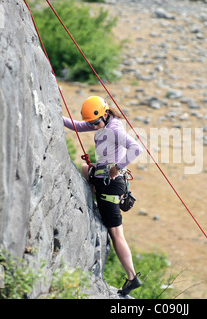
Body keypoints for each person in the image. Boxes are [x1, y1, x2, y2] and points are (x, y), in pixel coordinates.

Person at [63, 96, 143, 296]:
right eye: (92, 123)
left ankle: (132, 277)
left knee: (117, 234)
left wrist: (118, 167)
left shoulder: (114, 129)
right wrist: (57, 115)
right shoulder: (103, 124)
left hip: (110, 184)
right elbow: (78, 126)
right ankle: (93, 200)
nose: (94, 126)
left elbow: (136, 149)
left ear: (105, 114)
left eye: (95, 122)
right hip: (104, 179)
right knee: (84, 168)